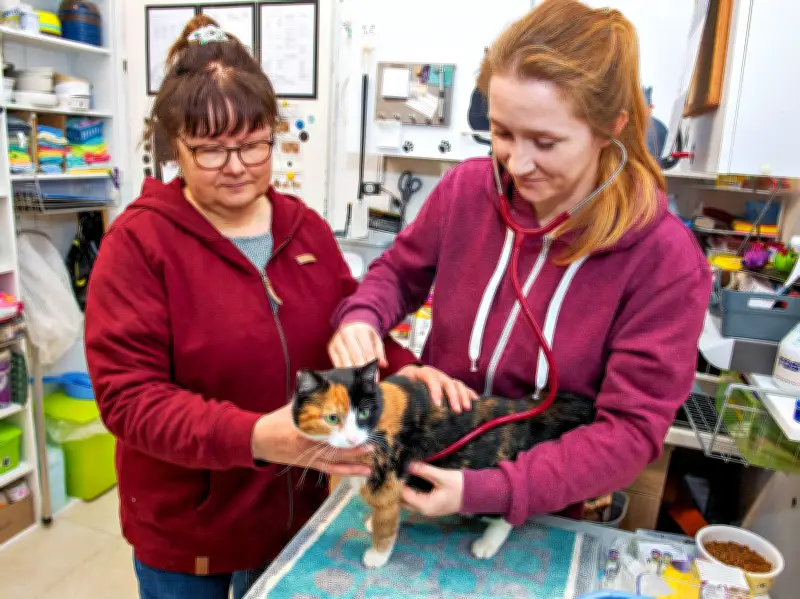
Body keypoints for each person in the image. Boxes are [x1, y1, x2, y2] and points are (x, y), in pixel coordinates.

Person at [329, 0, 711, 526]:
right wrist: (362, 317)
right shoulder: (467, 189)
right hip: (427, 471)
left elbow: (629, 432)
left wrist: (490, 489)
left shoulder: (663, 259)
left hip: (538, 508)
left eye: (546, 142)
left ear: (612, 129)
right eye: (503, 133)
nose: (517, 163)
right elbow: (398, 272)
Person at [84, 16, 419, 599]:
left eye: (253, 144)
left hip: (297, 513)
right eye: (211, 150)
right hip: (191, 536)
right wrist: (256, 437)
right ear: (175, 148)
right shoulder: (138, 245)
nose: (237, 166)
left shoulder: (304, 228)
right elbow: (129, 401)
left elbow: (346, 323)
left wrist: (403, 366)